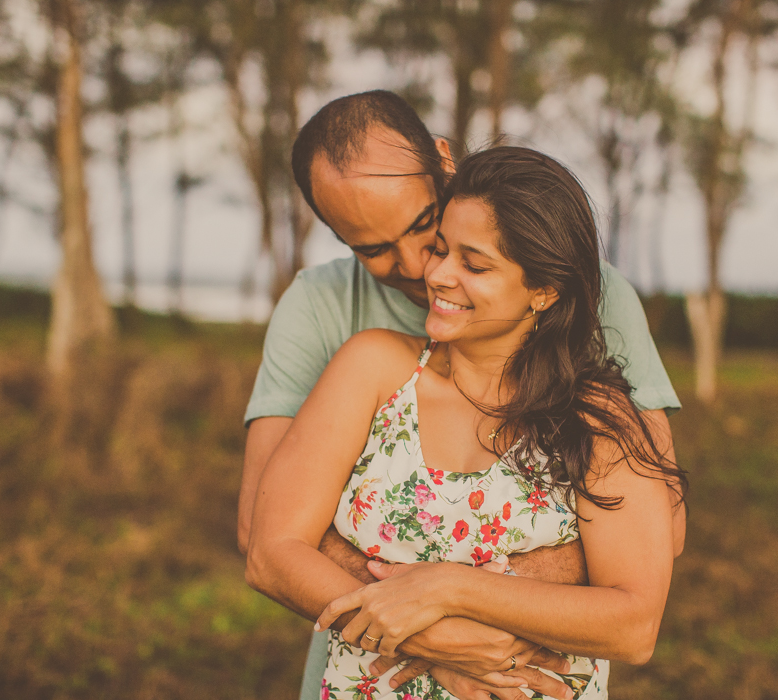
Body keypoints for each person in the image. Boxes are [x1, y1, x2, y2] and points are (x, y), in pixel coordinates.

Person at [237, 91, 685, 700]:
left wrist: (453, 593)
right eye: (371, 249)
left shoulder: (599, 336)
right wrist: (436, 640)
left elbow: (654, 546)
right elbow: (265, 536)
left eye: (428, 229)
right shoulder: (351, 343)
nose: (424, 267)